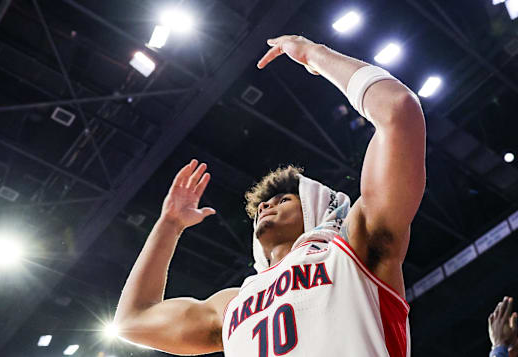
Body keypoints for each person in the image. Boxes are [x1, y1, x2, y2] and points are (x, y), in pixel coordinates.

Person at [114, 35, 426, 356]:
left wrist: (313, 54)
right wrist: (169, 225)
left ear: (318, 207)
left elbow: (398, 111)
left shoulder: (355, 249)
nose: (265, 205)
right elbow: (132, 321)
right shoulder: (233, 303)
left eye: (283, 199)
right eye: (265, 202)